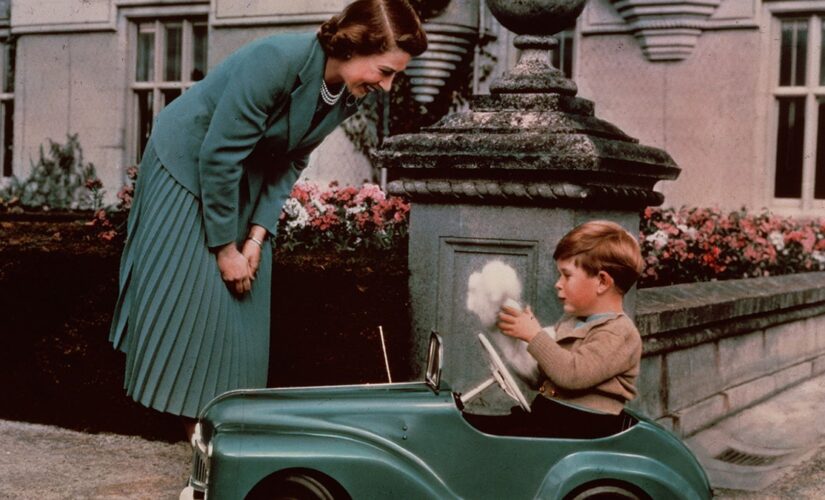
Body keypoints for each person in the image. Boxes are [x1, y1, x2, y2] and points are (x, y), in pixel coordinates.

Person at [108, 0, 427, 440]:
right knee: (199, 305)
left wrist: (257, 238)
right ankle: (203, 447)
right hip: (186, 165)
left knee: (242, 313)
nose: (388, 87)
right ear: (354, 46)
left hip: (241, 174)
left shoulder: (346, 94)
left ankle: (227, 438)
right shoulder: (276, 60)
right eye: (386, 71)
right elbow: (218, 155)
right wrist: (224, 250)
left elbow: (291, 161)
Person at [467, 220, 644, 439]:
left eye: (566, 275)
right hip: (554, 419)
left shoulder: (620, 333)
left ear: (601, 282)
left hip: (583, 428)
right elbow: (540, 378)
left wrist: (535, 335)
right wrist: (512, 339)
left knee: (495, 438)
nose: (558, 284)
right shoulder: (572, 321)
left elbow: (572, 374)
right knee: (473, 425)